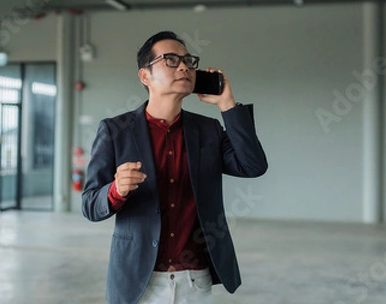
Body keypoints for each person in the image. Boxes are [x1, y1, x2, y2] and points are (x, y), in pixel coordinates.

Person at [82, 31, 268, 304]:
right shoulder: (115, 131)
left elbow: (253, 165)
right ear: (145, 76)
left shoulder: (208, 130)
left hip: (195, 280)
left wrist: (228, 104)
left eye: (187, 61)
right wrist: (115, 190)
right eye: (170, 60)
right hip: (137, 281)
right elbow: (89, 205)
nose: (183, 67)